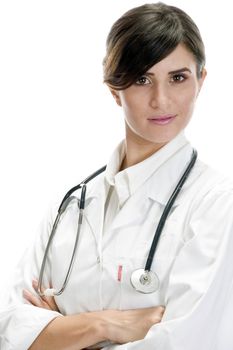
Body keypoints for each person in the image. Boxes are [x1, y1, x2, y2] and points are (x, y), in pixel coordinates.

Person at [1, 2, 233, 349]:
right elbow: (8, 328)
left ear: (201, 80)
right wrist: (104, 325)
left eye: (178, 77)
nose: (161, 99)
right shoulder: (70, 206)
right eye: (142, 79)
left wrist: (61, 331)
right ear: (114, 89)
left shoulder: (217, 203)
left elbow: (188, 342)